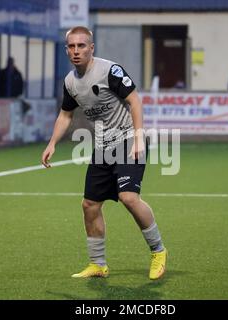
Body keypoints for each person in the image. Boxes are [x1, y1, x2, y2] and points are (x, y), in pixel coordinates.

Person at [41, 26, 167, 280]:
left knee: (129, 198)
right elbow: (66, 114)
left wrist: (139, 137)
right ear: (67, 49)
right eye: (72, 47)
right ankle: (98, 264)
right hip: (103, 146)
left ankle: (158, 251)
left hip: (128, 139)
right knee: (89, 205)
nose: (76, 51)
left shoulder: (109, 71)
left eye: (81, 46)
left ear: (91, 48)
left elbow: (135, 101)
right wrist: (52, 142)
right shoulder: (70, 82)